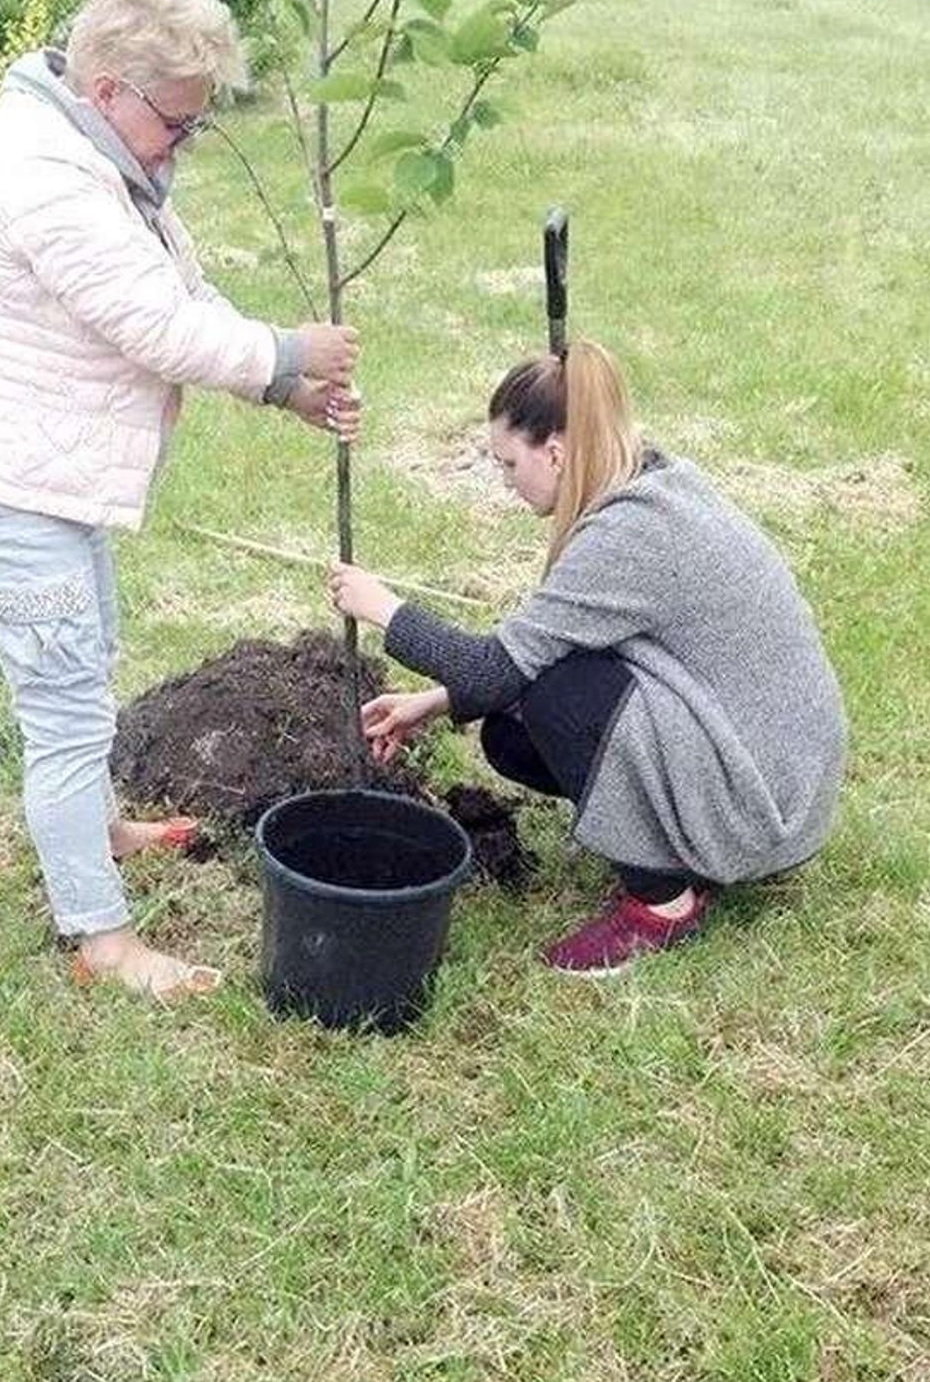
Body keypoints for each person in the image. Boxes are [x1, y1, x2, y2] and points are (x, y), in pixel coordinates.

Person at [0, 0, 360, 1002]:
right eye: (177, 124)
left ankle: (96, 828)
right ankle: (99, 939)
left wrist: (282, 391)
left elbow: (169, 286)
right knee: (63, 702)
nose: (184, 144)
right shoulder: (44, 174)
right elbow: (158, 325)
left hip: (35, 468)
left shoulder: (88, 149)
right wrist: (287, 352)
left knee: (88, 646)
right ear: (108, 90)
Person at [330, 339, 846, 976]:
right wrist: (433, 703)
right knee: (512, 735)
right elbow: (532, 650)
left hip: (765, 810)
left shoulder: (629, 533)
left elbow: (498, 670)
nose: (505, 482)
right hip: (770, 774)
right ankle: (679, 846)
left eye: (508, 463)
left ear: (555, 451)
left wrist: (384, 608)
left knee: (557, 697)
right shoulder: (648, 483)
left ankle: (663, 904)